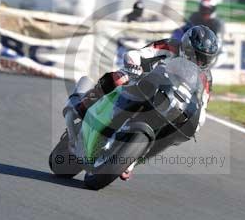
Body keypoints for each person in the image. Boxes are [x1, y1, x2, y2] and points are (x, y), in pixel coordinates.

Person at [73, 25, 220, 181]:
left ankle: (131, 160)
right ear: (186, 46)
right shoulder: (169, 46)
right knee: (119, 77)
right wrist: (134, 64)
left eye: (204, 58)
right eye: (195, 55)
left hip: (171, 102)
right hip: (143, 81)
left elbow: (202, 105)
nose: (198, 60)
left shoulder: (206, 78)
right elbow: (138, 54)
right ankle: (85, 102)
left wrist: (196, 123)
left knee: (172, 133)